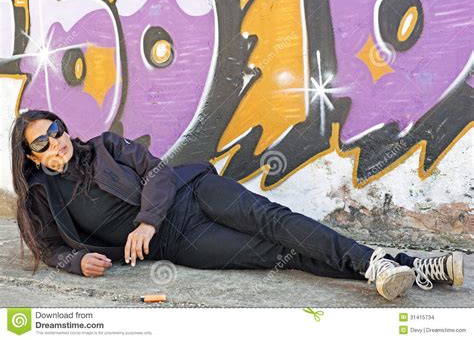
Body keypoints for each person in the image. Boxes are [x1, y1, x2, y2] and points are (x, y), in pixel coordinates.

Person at [10, 109, 464, 301]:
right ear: (31, 156)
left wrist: (145, 221)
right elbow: (48, 247)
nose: (57, 143)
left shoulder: (106, 146)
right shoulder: (43, 197)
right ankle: (403, 266)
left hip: (193, 193)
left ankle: (381, 267)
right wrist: (76, 261)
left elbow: (158, 172)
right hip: (179, 241)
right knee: (277, 255)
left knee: (272, 222)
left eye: (58, 130)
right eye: (43, 142)